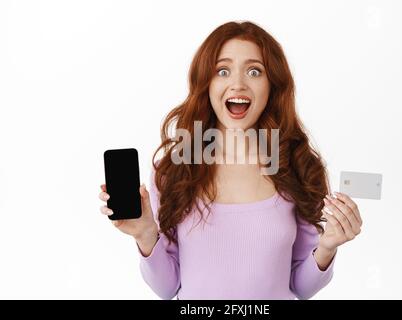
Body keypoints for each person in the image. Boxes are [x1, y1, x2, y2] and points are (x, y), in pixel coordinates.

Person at [99, 21, 362, 300]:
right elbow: (167, 288)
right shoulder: (175, 170)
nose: (238, 84)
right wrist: (146, 234)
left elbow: (301, 286)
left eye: (254, 71)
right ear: (207, 84)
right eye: (222, 71)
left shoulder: (297, 166)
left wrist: (328, 247)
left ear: (272, 85)